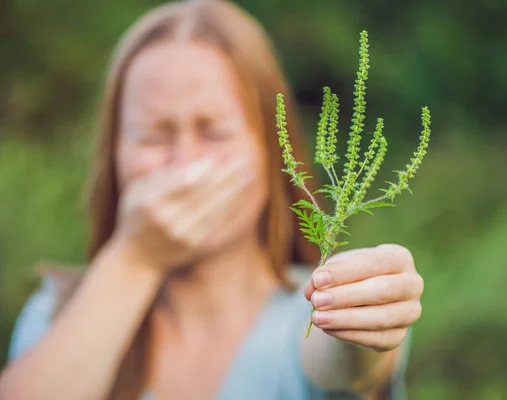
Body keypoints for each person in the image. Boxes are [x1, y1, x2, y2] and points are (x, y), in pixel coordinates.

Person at [0, 1, 424, 399]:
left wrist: (362, 323)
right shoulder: (59, 314)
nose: (185, 164)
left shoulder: (304, 311)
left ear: (272, 150)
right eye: (153, 135)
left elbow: (346, 364)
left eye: (215, 132)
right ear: (114, 155)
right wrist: (136, 258)